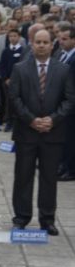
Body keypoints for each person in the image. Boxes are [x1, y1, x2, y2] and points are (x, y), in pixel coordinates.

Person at [10, 29, 75, 236]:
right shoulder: (20, 68)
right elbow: (14, 98)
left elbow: (69, 99)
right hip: (26, 133)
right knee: (23, 176)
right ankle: (21, 217)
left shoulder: (63, 70)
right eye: (37, 42)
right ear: (31, 44)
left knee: (49, 178)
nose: (41, 45)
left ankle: (47, 219)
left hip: (52, 134)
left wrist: (52, 119)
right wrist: (31, 120)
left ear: (52, 44)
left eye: (45, 42)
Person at [0, 29, 25, 133]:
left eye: (15, 36)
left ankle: (17, 122)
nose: (12, 38)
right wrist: (5, 78)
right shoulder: (6, 51)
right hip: (7, 82)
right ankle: (9, 122)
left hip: (19, 81)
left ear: (19, 37)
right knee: (9, 102)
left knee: (18, 102)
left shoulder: (22, 50)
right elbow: (2, 66)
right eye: (10, 36)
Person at [57, 25, 75, 180]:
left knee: (70, 139)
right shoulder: (62, 55)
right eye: (60, 38)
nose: (61, 41)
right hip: (62, 105)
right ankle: (63, 165)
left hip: (71, 107)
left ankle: (70, 169)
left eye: (65, 39)